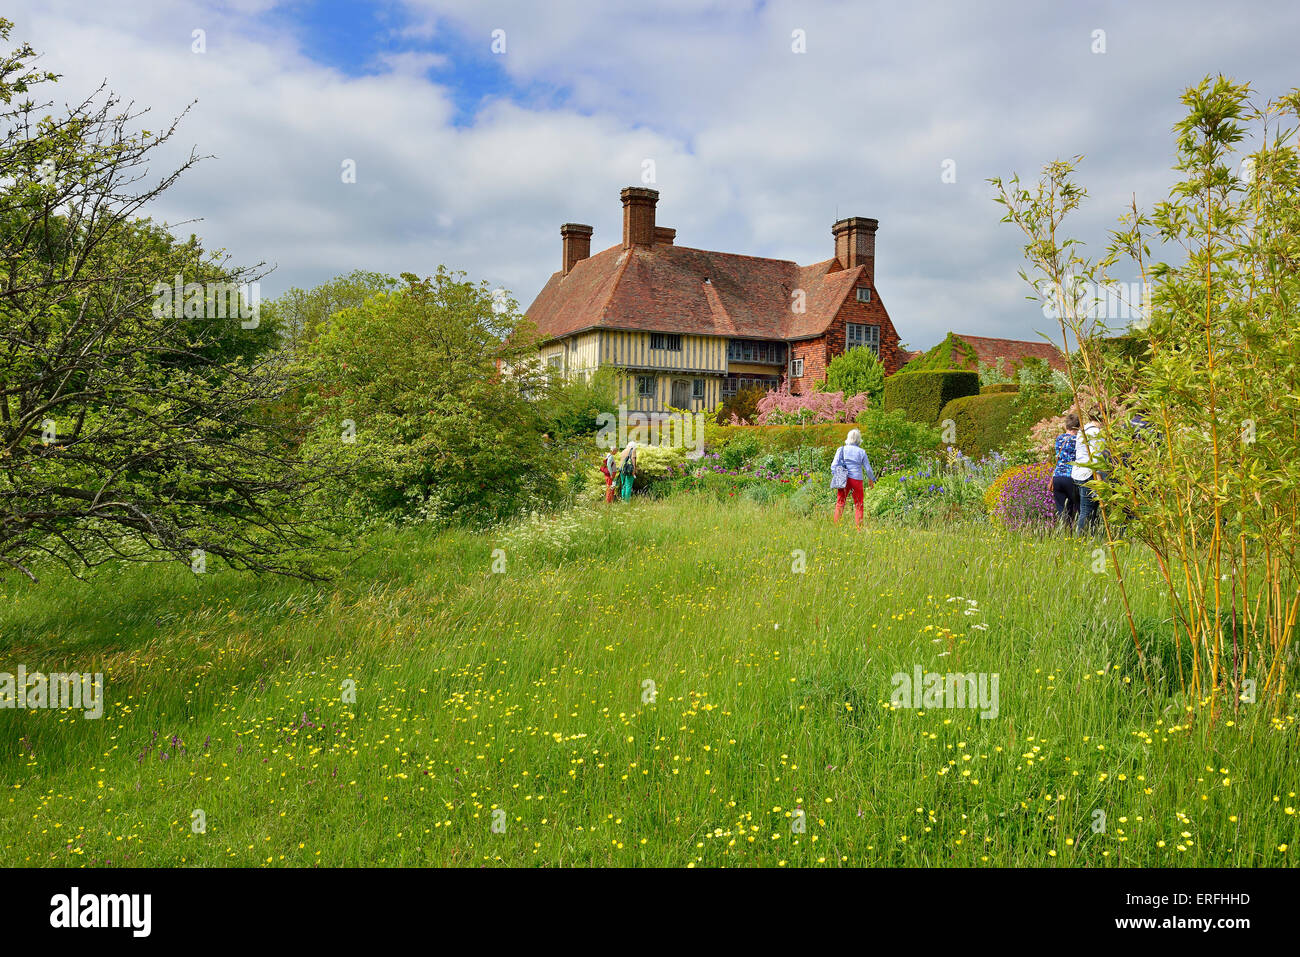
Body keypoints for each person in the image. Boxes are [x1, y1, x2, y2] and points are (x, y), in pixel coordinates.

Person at [831, 428, 875, 529]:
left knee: (840, 502)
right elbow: (868, 468)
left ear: (848, 438)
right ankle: (859, 528)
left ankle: (836, 527)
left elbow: (833, 465)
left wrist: (837, 475)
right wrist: (871, 479)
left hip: (843, 479)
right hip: (857, 479)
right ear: (859, 439)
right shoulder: (862, 452)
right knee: (859, 504)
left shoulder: (841, 449)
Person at [1073, 408, 1105, 534]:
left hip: (1079, 472)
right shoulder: (1096, 433)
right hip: (1089, 473)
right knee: (1087, 510)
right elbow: (1096, 457)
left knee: (1085, 509)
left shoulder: (1083, 430)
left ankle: (1089, 536)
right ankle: (1081, 538)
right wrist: (1099, 478)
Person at [1051, 413, 1081, 528]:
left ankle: (1065, 535)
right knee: (1080, 508)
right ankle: (1083, 533)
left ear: (1066, 425)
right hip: (1071, 476)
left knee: (1063, 512)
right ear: (1077, 427)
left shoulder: (1059, 438)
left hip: (1057, 477)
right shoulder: (1077, 440)